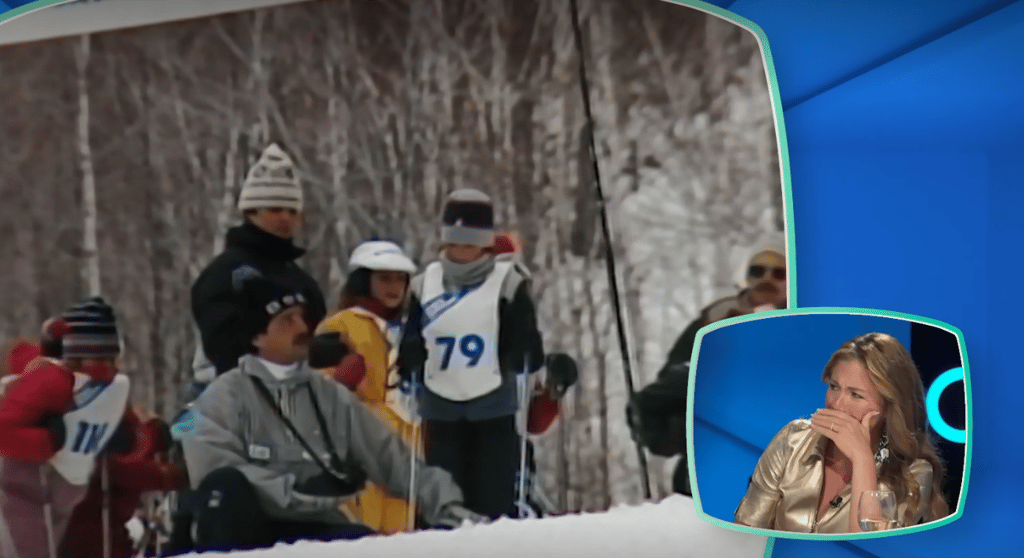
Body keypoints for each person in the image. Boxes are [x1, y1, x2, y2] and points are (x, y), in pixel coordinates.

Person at [180, 276, 481, 552]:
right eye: (287, 321)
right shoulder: (223, 396)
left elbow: (393, 459)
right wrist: (293, 490)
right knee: (222, 489)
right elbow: (211, 466)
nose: (302, 328)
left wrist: (450, 509)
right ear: (257, 337)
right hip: (247, 531)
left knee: (367, 547)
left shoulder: (330, 396)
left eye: (302, 317)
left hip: (317, 524)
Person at [397, 189, 546, 521]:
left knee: (492, 501)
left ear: (485, 245)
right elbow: (410, 339)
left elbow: (531, 354)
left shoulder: (507, 283)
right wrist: (409, 357)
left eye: (469, 244)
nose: (460, 252)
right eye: (454, 244)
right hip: (440, 408)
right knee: (444, 500)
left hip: (493, 406)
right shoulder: (425, 284)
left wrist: (521, 344)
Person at [733, 332, 950, 533]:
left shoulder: (913, 474)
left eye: (855, 395)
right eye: (834, 387)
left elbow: (869, 549)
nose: (836, 404)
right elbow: (745, 534)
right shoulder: (792, 440)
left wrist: (862, 459)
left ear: (889, 408)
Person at [626, 230, 788, 498]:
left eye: (778, 273)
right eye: (758, 271)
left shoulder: (805, 321)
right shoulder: (718, 316)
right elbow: (675, 371)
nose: (766, 280)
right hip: (712, 445)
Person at [0, 298, 148, 558]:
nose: (109, 370)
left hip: (64, 498)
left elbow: (136, 431)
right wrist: (47, 441)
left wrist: (130, 440)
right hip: (19, 493)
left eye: (111, 360)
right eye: (101, 360)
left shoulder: (105, 387)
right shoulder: (49, 381)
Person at [190, 142, 327, 381]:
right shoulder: (227, 275)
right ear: (250, 212)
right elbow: (222, 347)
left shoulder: (302, 282)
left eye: (292, 211)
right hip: (230, 396)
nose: (285, 217)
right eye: (275, 209)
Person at [312, 240, 421, 535]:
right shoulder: (343, 324)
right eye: (384, 278)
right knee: (364, 531)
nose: (393, 287)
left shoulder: (410, 329)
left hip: (405, 445)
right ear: (363, 280)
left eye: (400, 279)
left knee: (402, 534)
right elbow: (314, 389)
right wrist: (340, 377)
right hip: (359, 442)